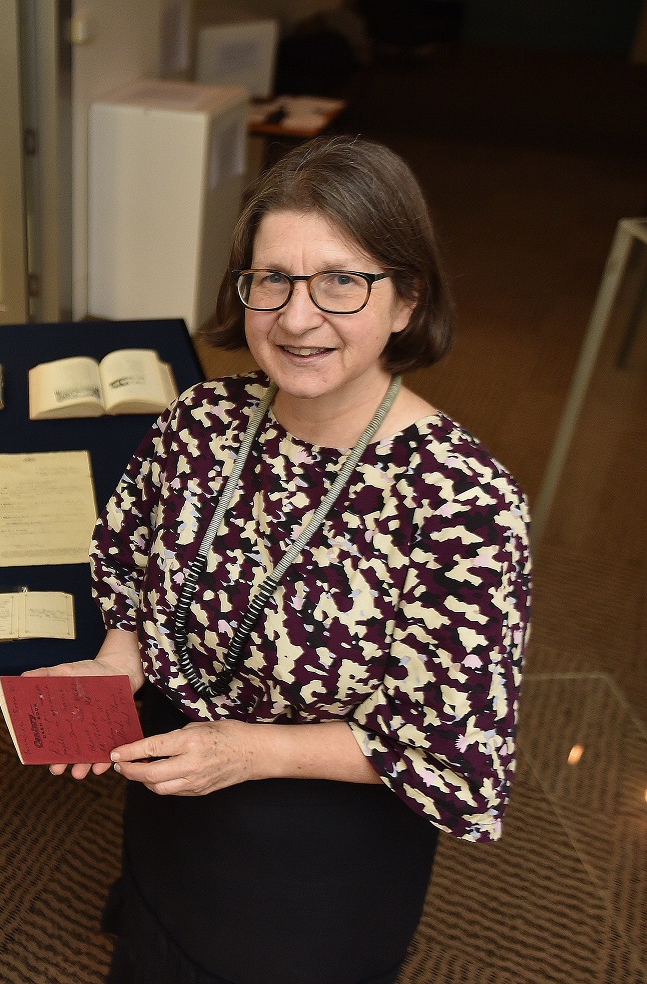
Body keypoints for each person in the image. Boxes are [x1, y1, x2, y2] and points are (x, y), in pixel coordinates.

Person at [30, 135, 531, 984]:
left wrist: (252, 751)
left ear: (406, 300)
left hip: (317, 860)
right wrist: (119, 665)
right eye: (273, 280)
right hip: (173, 795)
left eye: (343, 281)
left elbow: (450, 745)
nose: (298, 318)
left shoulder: (464, 502)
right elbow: (127, 558)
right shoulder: (202, 419)